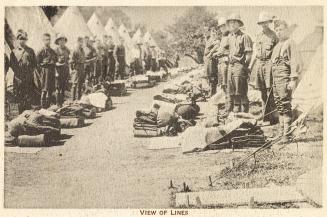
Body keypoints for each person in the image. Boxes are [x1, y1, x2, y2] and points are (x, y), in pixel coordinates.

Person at [271, 20, 302, 143]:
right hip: (276, 77)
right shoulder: (278, 45)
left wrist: (293, 79)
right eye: (277, 30)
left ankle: (287, 134)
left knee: (285, 104)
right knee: (279, 104)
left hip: (284, 76)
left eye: (281, 30)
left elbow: (295, 62)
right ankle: (281, 132)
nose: (278, 32)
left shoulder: (290, 43)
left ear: (287, 30)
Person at [252, 12, 279, 124]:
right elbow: (255, 51)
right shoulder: (258, 36)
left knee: (270, 91)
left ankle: (272, 117)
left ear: (269, 23)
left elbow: (277, 52)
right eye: (262, 23)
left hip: (269, 64)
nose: (264, 24)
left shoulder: (274, 36)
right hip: (259, 64)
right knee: (262, 91)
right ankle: (264, 116)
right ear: (260, 24)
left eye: (266, 22)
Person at [227, 13, 253, 113]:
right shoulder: (230, 37)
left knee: (241, 92)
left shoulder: (245, 37)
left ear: (239, 24)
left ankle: (245, 116)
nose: (232, 24)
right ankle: (236, 113)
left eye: (234, 22)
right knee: (233, 92)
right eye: (230, 22)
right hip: (231, 66)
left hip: (240, 66)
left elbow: (249, 54)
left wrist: (244, 67)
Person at [9, 29, 37, 113]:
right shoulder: (14, 52)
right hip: (18, 77)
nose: (22, 41)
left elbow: (34, 63)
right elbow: (12, 64)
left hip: (28, 76)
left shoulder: (30, 51)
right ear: (17, 40)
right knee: (19, 95)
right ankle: (21, 114)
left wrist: (29, 72)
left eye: (24, 39)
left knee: (28, 95)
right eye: (20, 39)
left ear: (26, 40)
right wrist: (18, 73)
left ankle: (27, 114)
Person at [212, 17, 230, 115]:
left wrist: (219, 53)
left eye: (223, 26)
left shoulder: (230, 36)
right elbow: (221, 50)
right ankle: (227, 107)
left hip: (226, 62)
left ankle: (228, 109)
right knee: (223, 85)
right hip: (221, 62)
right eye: (220, 27)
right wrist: (217, 53)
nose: (222, 28)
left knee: (227, 86)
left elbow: (228, 51)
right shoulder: (223, 37)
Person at [36, 33, 57, 108]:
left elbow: (56, 60)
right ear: (43, 40)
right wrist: (43, 63)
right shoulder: (40, 51)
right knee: (44, 90)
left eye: (49, 40)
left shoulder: (52, 51)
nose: (47, 41)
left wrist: (53, 62)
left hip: (51, 71)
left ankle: (48, 107)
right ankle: (43, 107)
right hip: (44, 72)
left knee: (50, 90)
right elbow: (37, 63)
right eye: (46, 40)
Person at [54, 33, 70, 107]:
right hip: (58, 71)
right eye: (60, 40)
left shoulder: (67, 50)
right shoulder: (55, 50)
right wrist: (57, 65)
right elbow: (53, 61)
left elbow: (69, 60)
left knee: (63, 88)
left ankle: (62, 103)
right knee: (58, 88)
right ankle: (57, 103)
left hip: (65, 70)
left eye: (63, 40)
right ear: (58, 41)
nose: (62, 42)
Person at [204, 27, 220, 96]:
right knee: (208, 76)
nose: (212, 33)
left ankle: (213, 93)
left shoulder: (214, 39)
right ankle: (210, 92)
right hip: (207, 60)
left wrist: (211, 53)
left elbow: (217, 45)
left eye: (214, 32)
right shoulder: (208, 39)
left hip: (211, 60)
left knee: (212, 75)